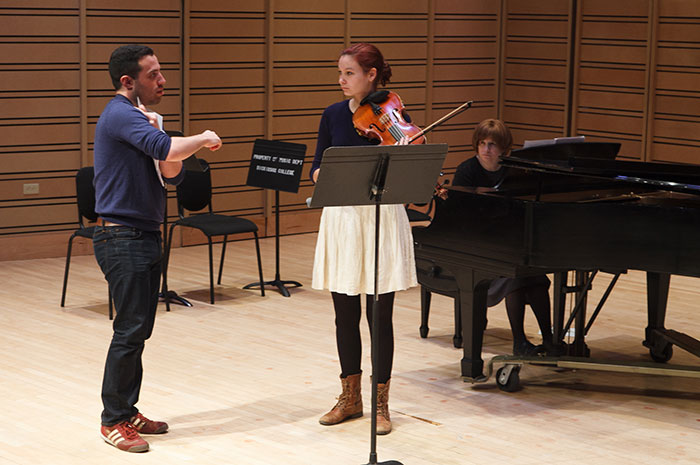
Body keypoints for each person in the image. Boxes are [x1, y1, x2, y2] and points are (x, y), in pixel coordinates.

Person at [93, 44, 222, 453]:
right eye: (153, 74)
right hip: (122, 238)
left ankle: (127, 410)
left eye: (161, 72)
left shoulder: (139, 117)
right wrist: (200, 137)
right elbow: (170, 151)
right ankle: (113, 419)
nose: (162, 80)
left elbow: (171, 171)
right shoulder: (118, 114)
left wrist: (162, 130)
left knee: (139, 330)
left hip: (144, 235)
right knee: (129, 331)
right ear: (128, 82)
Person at [309, 43, 416, 435]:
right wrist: (326, 175)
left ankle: (381, 403)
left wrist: (403, 152)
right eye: (340, 72)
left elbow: (409, 157)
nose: (341, 80)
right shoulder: (333, 115)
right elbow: (317, 166)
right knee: (344, 313)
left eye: (349, 73)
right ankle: (350, 398)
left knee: (379, 315)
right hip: (343, 218)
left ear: (371, 75)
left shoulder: (392, 113)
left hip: (381, 217)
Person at [452, 118, 557, 356]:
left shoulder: (514, 171)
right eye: (482, 143)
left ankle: (549, 341)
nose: (486, 149)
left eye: (492, 144)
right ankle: (519, 342)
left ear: (504, 148)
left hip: (508, 244)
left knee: (537, 278)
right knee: (516, 278)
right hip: (479, 248)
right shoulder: (466, 171)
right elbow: (460, 217)